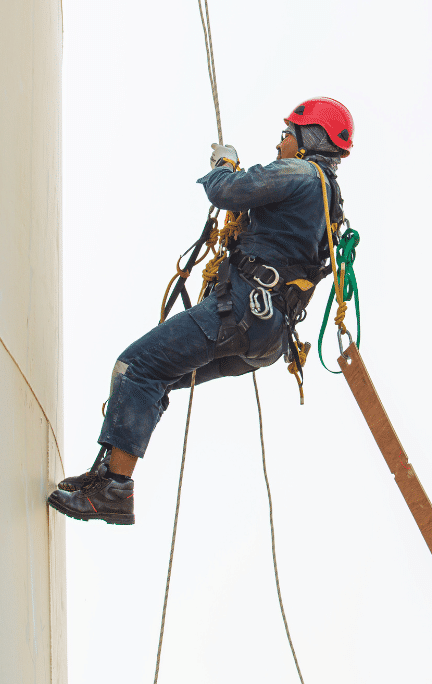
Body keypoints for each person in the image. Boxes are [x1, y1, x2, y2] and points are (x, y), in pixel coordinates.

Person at [47, 98, 355, 525]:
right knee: (158, 377)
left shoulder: (301, 174)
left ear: (311, 139)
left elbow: (228, 192)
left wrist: (223, 167)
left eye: (288, 133)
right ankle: (106, 476)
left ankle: (115, 488)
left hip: (244, 312)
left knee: (136, 367)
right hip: (266, 339)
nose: (280, 141)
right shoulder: (327, 201)